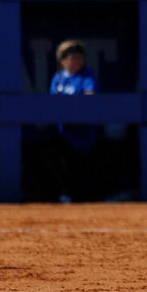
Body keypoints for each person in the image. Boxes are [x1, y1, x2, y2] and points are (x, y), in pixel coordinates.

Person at [48, 39, 97, 203]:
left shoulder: (86, 74)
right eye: (73, 57)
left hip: (82, 133)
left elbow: (90, 95)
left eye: (80, 57)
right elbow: (52, 103)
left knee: (78, 167)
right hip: (64, 132)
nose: (78, 61)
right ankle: (65, 193)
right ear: (63, 60)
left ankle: (75, 196)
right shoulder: (58, 77)